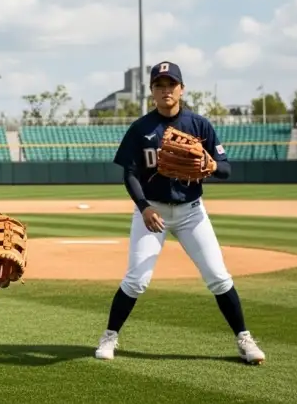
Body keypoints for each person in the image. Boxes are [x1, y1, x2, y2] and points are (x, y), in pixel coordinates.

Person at [93, 61, 266, 365]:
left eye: (171, 85)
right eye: (159, 85)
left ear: (181, 89)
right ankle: (109, 337)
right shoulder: (141, 128)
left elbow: (225, 168)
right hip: (153, 212)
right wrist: (144, 207)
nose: (165, 90)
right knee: (136, 281)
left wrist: (212, 166)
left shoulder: (199, 125)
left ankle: (244, 339)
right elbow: (129, 174)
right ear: (152, 92)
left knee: (218, 276)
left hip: (191, 213)